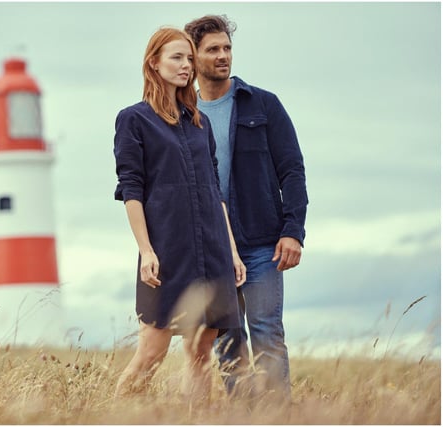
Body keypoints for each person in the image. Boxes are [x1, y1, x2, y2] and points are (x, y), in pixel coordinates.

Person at [113, 27, 247, 400]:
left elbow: (215, 193)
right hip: (168, 250)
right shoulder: (133, 119)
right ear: (153, 62)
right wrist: (146, 251)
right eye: (177, 57)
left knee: (201, 351)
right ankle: (114, 417)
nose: (187, 65)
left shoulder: (199, 123)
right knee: (152, 350)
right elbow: (131, 190)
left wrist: (232, 251)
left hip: (214, 249)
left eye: (189, 58)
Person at [184, 15, 308, 403]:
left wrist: (293, 230)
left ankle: (275, 416)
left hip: (262, 242)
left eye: (227, 48)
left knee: (267, 331)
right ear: (194, 55)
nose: (223, 56)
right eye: (213, 50)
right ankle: (242, 415)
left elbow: (292, 169)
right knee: (226, 337)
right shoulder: (182, 113)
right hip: (213, 247)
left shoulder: (263, 104)